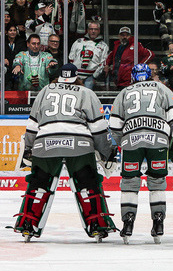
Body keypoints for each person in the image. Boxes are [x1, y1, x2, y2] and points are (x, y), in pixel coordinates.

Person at [14, 64, 117, 241]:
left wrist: (29, 150)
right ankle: (97, 224)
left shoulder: (45, 90)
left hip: (45, 142)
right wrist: (107, 152)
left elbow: (32, 125)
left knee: (38, 184)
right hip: (79, 143)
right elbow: (98, 128)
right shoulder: (86, 93)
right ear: (77, 77)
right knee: (88, 184)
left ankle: (27, 224)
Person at [108, 63, 173, 244]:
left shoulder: (124, 92)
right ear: (149, 75)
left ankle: (128, 223)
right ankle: (158, 222)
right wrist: (172, 143)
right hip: (159, 140)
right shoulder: (163, 89)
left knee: (130, 183)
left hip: (131, 140)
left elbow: (114, 125)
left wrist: (122, 143)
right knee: (157, 181)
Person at [68, 20, 110, 89]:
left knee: (86, 96)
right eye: (91, 29)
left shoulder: (103, 46)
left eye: (95, 29)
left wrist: (94, 76)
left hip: (90, 77)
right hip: (76, 76)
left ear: (99, 31)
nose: (93, 31)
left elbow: (102, 63)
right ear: (87, 30)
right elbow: (71, 58)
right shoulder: (78, 42)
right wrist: (74, 73)